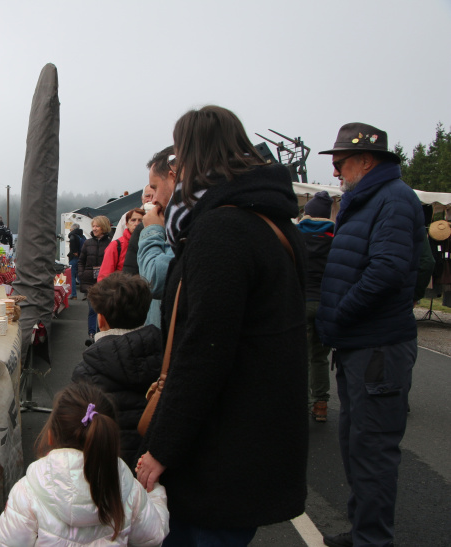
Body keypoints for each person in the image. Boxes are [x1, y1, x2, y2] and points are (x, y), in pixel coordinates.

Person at [135, 105, 308, 546]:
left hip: (221, 449)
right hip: (254, 434)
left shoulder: (222, 230)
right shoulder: (273, 223)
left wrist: (163, 447)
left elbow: (204, 351)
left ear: (194, 158)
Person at [316, 123, 424, 547]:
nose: (336, 171)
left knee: (373, 451)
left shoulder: (394, 200)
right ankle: (363, 530)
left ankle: (373, 540)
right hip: (361, 345)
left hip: (377, 346)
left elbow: (388, 270)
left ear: (366, 160)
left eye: (340, 163)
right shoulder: (371, 199)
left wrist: (341, 316)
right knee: (356, 446)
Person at [0, 382, 169, 547]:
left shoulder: (28, 491)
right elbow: (153, 537)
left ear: (51, 435)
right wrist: (155, 494)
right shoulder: (130, 489)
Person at [71, 272, 161, 470]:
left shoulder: (86, 370)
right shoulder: (163, 356)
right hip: (150, 464)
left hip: (103, 467)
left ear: (100, 320)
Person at [297, 190, 335, 423]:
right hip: (325, 304)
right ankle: (320, 404)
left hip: (301, 302)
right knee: (320, 356)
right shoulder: (335, 239)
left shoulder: (296, 236)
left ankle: (300, 405)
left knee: (301, 356)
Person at [137, 146, 178, 328]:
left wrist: (153, 230)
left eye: (155, 187)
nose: (153, 200)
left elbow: (154, 279)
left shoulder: (185, 225)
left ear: (172, 178)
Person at [78, 215, 111, 344]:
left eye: (97, 226)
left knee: (102, 309)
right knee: (92, 309)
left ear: (104, 227)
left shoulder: (111, 243)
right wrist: (81, 274)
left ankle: (101, 335)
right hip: (89, 281)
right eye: (93, 226)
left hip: (104, 281)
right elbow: (81, 260)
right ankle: (92, 335)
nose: (95, 228)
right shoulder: (87, 243)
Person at [98, 208, 144, 281]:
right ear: (127, 224)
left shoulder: (149, 243)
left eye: (140, 221)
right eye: (133, 220)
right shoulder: (116, 245)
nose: (136, 224)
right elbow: (105, 275)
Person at [67, 223, 86, 299]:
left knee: (72, 277)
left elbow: (74, 250)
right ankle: (86, 292)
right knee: (79, 277)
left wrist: (75, 253)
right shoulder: (82, 236)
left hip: (74, 258)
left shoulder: (73, 236)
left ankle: (74, 294)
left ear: (72, 229)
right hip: (81, 258)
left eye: (70, 229)